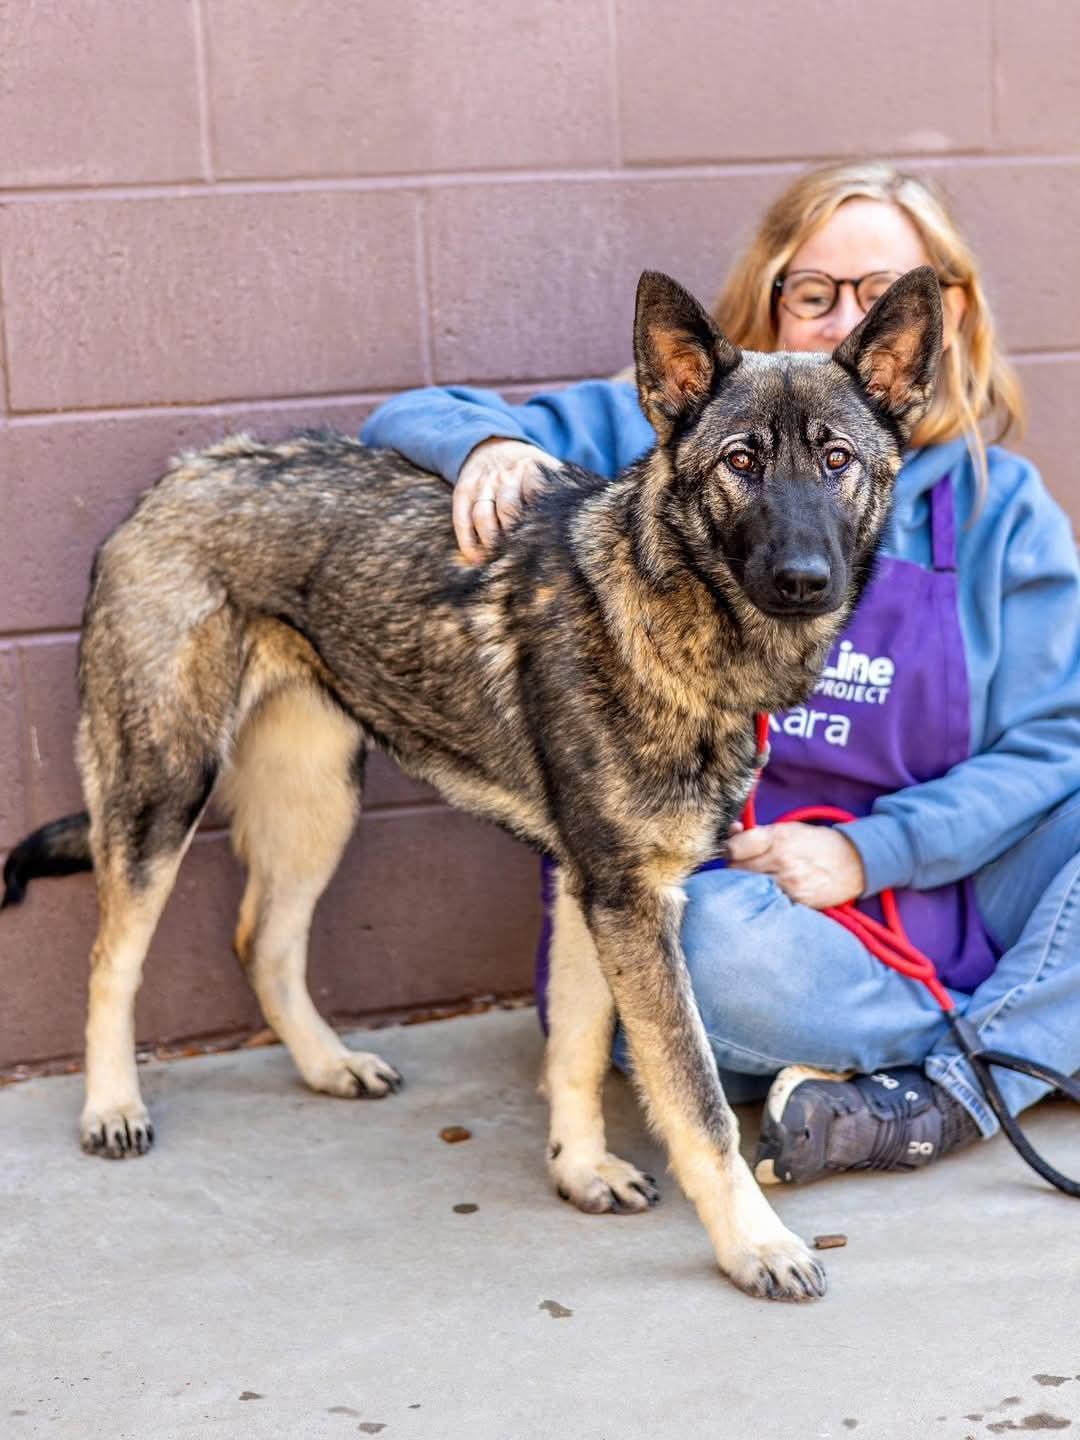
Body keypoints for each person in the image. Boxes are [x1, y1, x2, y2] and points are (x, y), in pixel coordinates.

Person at [361, 161, 1080, 1185]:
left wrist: (878, 852)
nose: (843, 322)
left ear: (934, 322)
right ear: (774, 300)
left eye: (880, 297)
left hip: (942, 882)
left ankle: (945, 1098)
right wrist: (483, 444)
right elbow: (413, 413)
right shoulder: (704, 427)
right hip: (751, 908)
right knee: (691, 963)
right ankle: (1039, 1031)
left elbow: (1057, 742)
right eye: (814, 292)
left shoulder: (1002, 508)